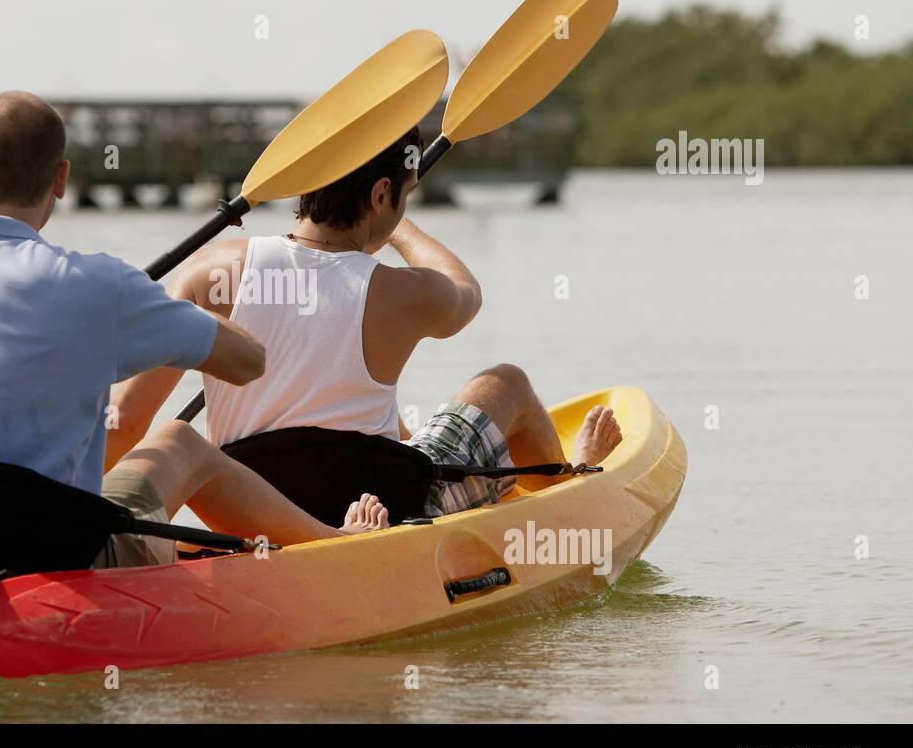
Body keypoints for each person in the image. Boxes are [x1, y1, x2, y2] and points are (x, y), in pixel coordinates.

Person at [0, 91, 387, 572]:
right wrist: (183, 307)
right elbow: (248, 363)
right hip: (52, 556)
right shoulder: (103, 287)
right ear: (60, 179)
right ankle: (339, 546)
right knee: (179, 441)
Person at [107, 126, 623, 526]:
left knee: (397, 428)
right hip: (386, 504)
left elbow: (126, 418)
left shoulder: (210, 271)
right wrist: (399, 229)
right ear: (380, 196)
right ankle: (569, 496)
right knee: (505, 382)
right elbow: (467, 292)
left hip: (248, 506)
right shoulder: (404, 292)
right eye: (404, 196)